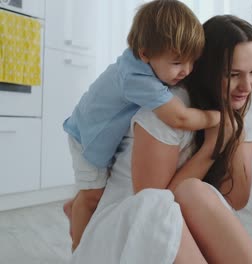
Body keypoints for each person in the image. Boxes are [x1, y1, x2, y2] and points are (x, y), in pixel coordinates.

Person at [70, 14, 252, 263]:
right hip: (127, 228)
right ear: (206, 70)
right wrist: (211, 148)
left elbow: (237, 199)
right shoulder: (166, 111)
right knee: (186, 192)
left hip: (179, 231)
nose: (246, 86)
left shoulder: (244, 118)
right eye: (233, 74)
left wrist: (232, 135)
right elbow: (154, 209)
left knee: (195, 191)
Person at [62, 0, 220, 251]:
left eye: (192, 62)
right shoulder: (137, 78)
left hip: (102, 130)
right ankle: (79, 247)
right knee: (93, 196)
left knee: (100, 190)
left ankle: (74, 206)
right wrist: (215, 119)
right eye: (177, 63)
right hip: (86, 138)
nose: (187, 71)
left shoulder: (146, 62)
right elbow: (178, 118)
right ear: (145, 53)